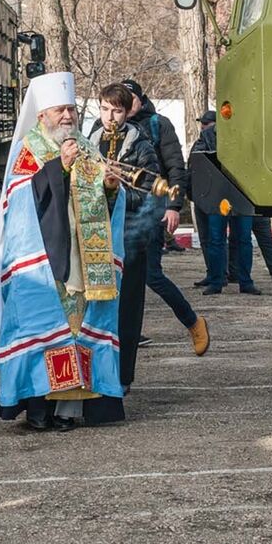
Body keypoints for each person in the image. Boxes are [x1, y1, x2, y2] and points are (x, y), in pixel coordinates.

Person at [0, 72, 126, 432]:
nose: (67, 117)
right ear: (42, 114)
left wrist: (109, 187)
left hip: (81, 261)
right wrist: (58, 166)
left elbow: (102, 204)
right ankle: (37, 409)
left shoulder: (87, 148)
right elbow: (21, 198)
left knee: (76, 334)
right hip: (41, 262)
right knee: (42, 332)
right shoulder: (28, 148)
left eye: (71, 110)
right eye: (60, 110)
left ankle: (67, 410)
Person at [121, 79, 209, 352]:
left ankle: (193, 322)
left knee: (151, 275)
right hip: (116, 213)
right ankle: (125, 332)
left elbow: (175, 169)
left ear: (140, 98)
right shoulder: (106, 127)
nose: (124, 106)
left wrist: (173, 206)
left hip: (150, 211)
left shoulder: (159, 124)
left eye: (130, 99)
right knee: (116, 277)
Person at [90, 83, 159, 391]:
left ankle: (123, 375)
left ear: (128, 110)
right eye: (105, 109)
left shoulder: (141, 144)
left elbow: (150, 195)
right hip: (96, 235)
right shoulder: (91, 141)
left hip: (130, 237)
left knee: (127, 309)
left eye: (116, 110)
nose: (110, 117)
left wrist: (116, 191)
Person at [190, 119, 259, 296]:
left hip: (243, 194)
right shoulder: (207, 135)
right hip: (218, 196)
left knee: (243, 239)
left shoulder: (248, 133)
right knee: (216, 239)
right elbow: (197, 161)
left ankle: (245, 281)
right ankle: (216, 281)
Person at [190, 110, 214, 288]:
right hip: (199, 195)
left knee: (215, 238)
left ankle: (220, 273)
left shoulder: (212, 140)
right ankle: (213, 272)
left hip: (213, 196)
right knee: (206, 238)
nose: (203, 126)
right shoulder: (199, 142)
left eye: (206, 123)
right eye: (202, 123)